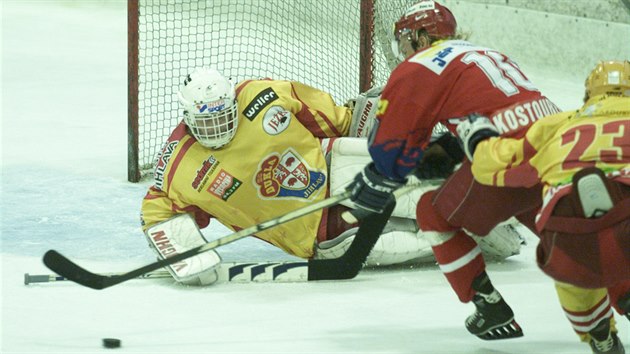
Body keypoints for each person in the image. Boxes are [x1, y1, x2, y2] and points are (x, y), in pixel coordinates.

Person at [140, 67, 522, 286]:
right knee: (431, 239)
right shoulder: (177, 166)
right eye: (205, 122)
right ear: (187, 117)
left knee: (429, 177)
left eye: (223, 116)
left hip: (335, 164)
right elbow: (157, 210)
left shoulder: (261, 94)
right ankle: (487, 238)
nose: (216, 128)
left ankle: (501, 196)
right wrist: (182, 249)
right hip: (320, 234)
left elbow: (329, 117)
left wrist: (367, 125)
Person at [347, 0, 562, 340]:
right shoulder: (484, 52)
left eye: (404, 40)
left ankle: (488, 306)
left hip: (507, 156)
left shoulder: (421, 63)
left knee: (431, 212)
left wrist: (379, 178)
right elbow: (494, 110)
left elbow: (391, 146)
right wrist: (449, 150)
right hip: (561, 144)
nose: (402, 49)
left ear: (420, 36)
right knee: (571, 241)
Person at [459, 60, 630, 353]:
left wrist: (478, 137)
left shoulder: (557, 124)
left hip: (567, 235)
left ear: (589, 94)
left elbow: (492, 166)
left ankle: (600, 335)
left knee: (575, 265)